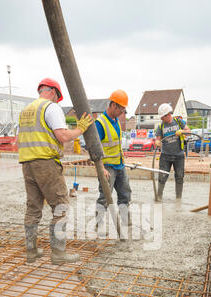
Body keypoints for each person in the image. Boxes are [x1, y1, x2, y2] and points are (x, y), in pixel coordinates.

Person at [18, 77, 92, 264]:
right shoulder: (50, 108)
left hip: (27, 164)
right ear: (53, 92)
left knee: (33, 208)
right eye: (58, 98)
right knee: (61, 207)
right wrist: (80, 129)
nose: (57, 101)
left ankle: (31, 252)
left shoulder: (26, 110)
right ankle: (58, 254)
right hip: (46, 163)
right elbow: (63, 135)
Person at [95, 89, 132, 234]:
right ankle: (99, 225)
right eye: (121, 109)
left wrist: (122, 155)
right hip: (107, 167)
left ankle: (125, 221)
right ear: (113, 105)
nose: (122, 112)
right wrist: (101, 168)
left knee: (125, 193)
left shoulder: (116, 121)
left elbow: (114, 143)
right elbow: (94, 149)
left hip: (119, 165)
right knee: (105, 196)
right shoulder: (100, 123)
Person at [155, 103, 190, 202]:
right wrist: (157, 142)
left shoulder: (179, 122)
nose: (161, 119)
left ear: (168, 115)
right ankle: (159, 197)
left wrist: (182, 132)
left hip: (179, 156)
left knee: (179, 177)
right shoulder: (161, 126)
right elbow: (158, 140)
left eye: (162, 117)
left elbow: (189, 131)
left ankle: (178, 199)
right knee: (162, 176)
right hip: (165, 156)